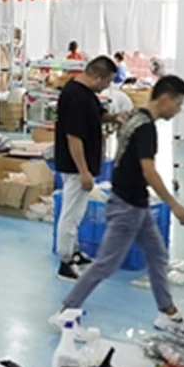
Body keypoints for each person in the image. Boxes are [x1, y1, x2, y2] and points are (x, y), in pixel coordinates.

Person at [50, 75, 184, 334]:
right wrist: (174, 204)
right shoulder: (145, 128)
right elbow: (149, 171)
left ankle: (168, 312)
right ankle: (66, 310)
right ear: (165, 99)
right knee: (105, 264)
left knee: (157, 255)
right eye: (178, 104)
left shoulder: (135, 117)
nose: (178, 110)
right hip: (128, 206)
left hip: (134, 203)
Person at [54, 56, 123, 282]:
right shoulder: (76, 97)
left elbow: (96, 117)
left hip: (82, 166)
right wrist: (84, 172)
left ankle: (74, 252)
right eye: (107, 81)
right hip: (75, 167)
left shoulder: (86, 95)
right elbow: (74, 137)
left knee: (77, 212)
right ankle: (65, 262)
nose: (107, 86)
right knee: (71, 215)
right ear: (96, 76)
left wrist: (114, 117)